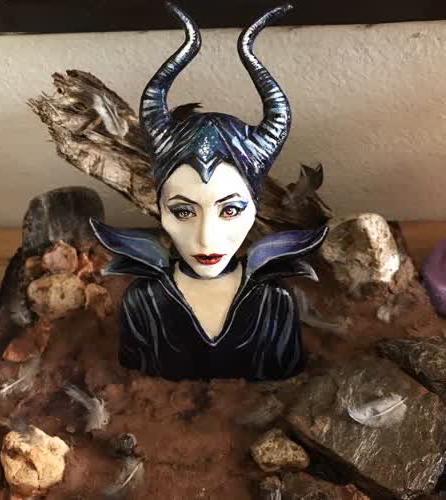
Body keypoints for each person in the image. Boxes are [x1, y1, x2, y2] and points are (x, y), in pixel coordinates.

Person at [91, 2, 328, 381]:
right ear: (159, 208)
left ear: (255, 208)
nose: (206, 239)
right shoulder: (144, 302)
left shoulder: (273, 302)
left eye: (230, 210)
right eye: (184, 211)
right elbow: (138, 380)